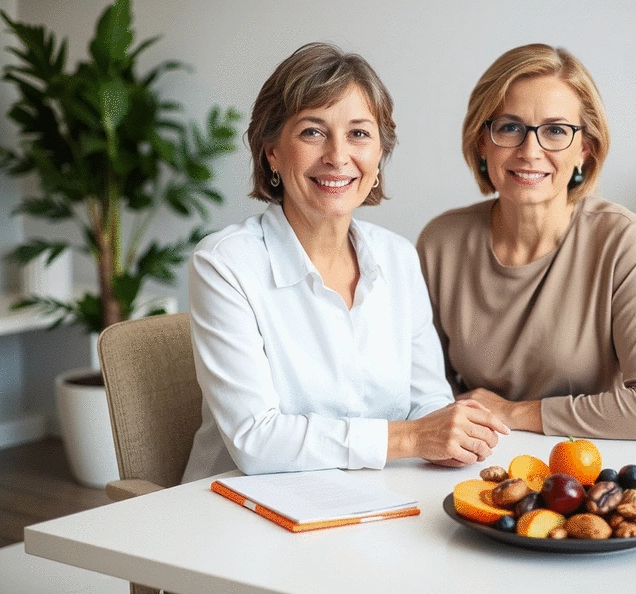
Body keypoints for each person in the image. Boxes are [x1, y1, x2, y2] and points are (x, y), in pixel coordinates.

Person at [182, 43, 508, 482]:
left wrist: (454, 434)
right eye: (313, 132)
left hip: (375, 502)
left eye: (359, 133)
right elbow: (255, 441)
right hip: (246, 512)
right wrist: (410, 439)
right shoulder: (225, 264)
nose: (338, 156)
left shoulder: (397, 256)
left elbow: (427, 400)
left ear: (378, 155)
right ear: (272, 152)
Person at [416, 44, 636, 441]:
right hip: (475, 458)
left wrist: (511, 412)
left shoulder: (622, 239)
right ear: (481, 142)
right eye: (509, 127)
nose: (530, 151)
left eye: (556, 131)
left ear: (584, 150)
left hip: (585, 463)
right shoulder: (441, 242)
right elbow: (423, 387)